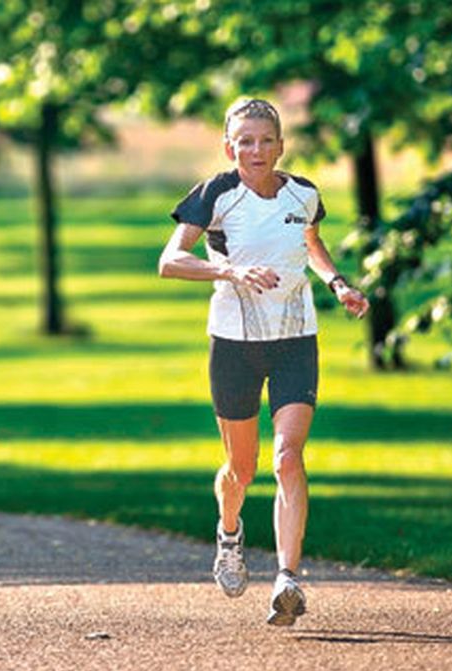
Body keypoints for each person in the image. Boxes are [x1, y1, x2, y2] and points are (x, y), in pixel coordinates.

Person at [157, 98, 369, 626]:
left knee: (287, 456)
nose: (255, 150)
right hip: (234, 343)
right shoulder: (216, 195)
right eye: (244, 141)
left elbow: (311, 243)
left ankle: (288, 580)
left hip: (296, 338)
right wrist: (230, 273)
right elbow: (169, 261)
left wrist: (337, 282)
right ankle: (230, 533)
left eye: (265, 140)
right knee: (241, 469)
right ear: (230, 147)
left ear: (280, 145)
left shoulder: (304, 193)